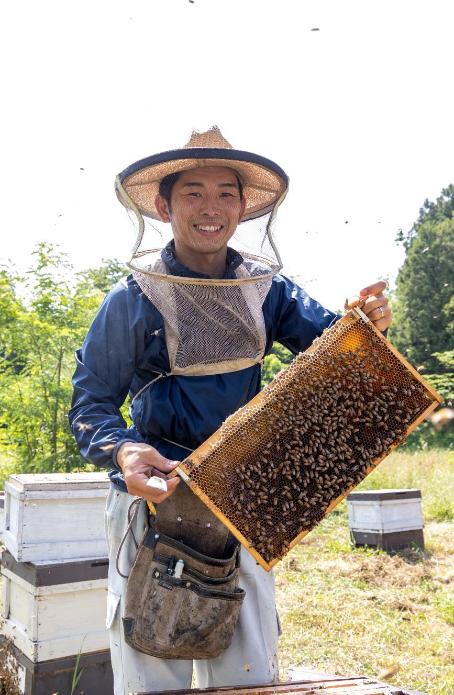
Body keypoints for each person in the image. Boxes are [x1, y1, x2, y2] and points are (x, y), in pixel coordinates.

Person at [69, 127, 392, 695]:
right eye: (193, 192)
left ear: (244, 208)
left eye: (225, 193)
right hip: (161, 500)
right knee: (152, 673)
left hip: (246, 498)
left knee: (249, 672)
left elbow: (333, 350)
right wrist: (124, 448)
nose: (210, 208)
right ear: (164, 206)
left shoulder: (269, 292)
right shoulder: (133, 300)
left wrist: (363, 325)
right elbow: (91, 402)